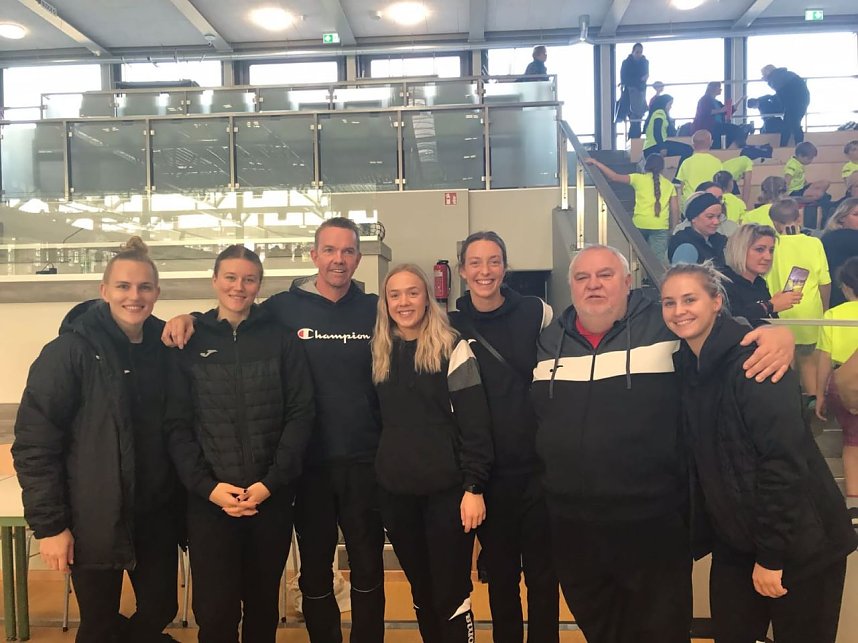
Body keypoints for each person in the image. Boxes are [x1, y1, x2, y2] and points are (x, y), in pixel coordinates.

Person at [531, 245, 795, 643]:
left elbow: (720, 331)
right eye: (582, 278)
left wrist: (778, 333)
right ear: (570, 286)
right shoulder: (549, 341)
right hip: (574, 527)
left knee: (661, 631)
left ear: (626, 282)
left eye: (605, 275)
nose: (593, 285)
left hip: (653, 522)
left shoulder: (664, 324)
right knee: (599, 628)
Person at [163, 217, 386, 643]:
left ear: (358, 257)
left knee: (368, 568)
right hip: (308, 469)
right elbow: (231, 317)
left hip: (364, 463)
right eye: (330, 250)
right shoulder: (282, 309)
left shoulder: (376, 309)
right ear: (313, 255)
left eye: (348, 251)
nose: (338, 259)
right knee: (315, 573)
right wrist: (185, 317)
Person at [661, 262, 856, 643]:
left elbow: (783, 464)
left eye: (689, 299)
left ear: (717, 301)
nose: (679, 310)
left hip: (801, 544)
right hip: (737, 543)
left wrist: (771, 557)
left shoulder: (758, 362)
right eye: (669, 302)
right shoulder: (687, 364)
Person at [13, 237, 181, 643]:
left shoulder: (167, 348)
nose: (134, 296)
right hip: (93, 517)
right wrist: (51, 527)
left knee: (162, 608)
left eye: (144, 287)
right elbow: (35, 443)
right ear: (104, 291)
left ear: (156, 293)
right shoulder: (69, 351)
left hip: (155, 514)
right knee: (99, 620)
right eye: (123, 286)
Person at [165, 245, 315, 642]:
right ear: (214, 281)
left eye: (249, 279)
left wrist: (270, 484)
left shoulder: (281, 340)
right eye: (230, 277)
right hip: (210, 502)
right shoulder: (190, 342)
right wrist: (208, 488)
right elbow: (177, 425)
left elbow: (301, 414)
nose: (239, 286)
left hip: (270, 498)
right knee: (215, 613)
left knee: (263, 607)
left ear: (259, 285)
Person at [371, 263, 493, 642]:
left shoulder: (453, 348)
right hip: (397, 494)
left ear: (427, 297)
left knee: (450, 593)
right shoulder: (378, 351)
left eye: (413, 292)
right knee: (422, 593)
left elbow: (476, 423)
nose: (404, 302)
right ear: (385, 303)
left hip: (448, 494)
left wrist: (474, 487)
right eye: (395, 294)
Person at [448, 232, 558, 643]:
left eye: (493, 261)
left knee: (545, 576)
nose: (485, 271)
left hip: (540, 470)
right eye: (475, 263)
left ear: (505, 266)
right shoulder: (451, 326)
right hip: (490, 474)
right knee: (502, 578)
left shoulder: (537, 312)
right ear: (462, 270)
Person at [764, 198, 831, 398]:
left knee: (784, 362)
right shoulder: (814, 243)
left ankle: (787, 403)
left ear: (774, 222)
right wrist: (825, 309)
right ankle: (813, 405)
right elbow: (824, 282)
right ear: (798, 216)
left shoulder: (770, 246)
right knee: (809, 361)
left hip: (778, 311)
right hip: (809, 312)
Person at [815, 257, 858, 527]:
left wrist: (820, 394)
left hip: (844, 384)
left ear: (845, 287)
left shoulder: (833, 315)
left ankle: (853, 502)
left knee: (851, 443)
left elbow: (823, 358)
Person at [586, 154, 679, 264]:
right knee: (658, 262)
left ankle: (639, 279)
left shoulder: (638, 178)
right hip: (660, 226)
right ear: (662, 168)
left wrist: (596, 163)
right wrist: (673, 228)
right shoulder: (669, 185)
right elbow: (675, 209)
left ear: (646, 166)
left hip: (639, 224)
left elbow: (614, 177)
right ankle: (655, 281)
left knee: (636, 258)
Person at [722, 223, 801, 326]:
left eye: (771, 250)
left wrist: (774, 304)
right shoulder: (724, 283)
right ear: (740, 250)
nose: (768, 257)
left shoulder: (759, 283)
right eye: (760, 249)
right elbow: (732, 319)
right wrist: (770, 305)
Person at [668, 192, 727, 266]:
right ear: (693, 218)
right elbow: (680, 276)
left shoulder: (718, 240)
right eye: (710, 217)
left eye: (718, 217)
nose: (716, 222)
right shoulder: (686, 247)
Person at [785, 142, 832, 228]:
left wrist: (809, 185)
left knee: (825, 182)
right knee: (819, 195)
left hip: (802, 188)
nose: (811, 161)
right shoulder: (792, 165)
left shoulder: (799, 163)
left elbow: (800, 178)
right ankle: (798, 199)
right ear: (800, 155)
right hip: (794, 192)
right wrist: (785, 193)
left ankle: (807, 198)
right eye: (809, 159)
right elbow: (787, 179)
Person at [762, 64, 811, 147]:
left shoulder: (776, 78)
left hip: (795, 103)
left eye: (763, 74)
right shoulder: (784, 74)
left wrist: (768, 81)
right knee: (790, 124)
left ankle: (795, 146)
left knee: (792, 125)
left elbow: (777, 88)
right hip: (800, 100)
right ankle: (789, 145)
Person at [822, 197, 858, 307]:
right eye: (856, 214)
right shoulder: (845, 237)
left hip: (832, 298)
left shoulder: (826, 238)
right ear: (842, 217)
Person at [642, 95, 693, 170]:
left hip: (650, 147)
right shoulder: (660, 113)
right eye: (670, 104)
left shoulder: (655, 113)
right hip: (655, 145)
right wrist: (662, 147)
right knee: (688, 150)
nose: (670, 107)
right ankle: (677, 177)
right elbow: (657, 131)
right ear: (664, 103)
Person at [691, 81, 744, 149]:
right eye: (719, 88)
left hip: (718, 126)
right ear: (713, 88)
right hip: (710, 126)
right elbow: (705, 111)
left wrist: (740, 100)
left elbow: (728, 111)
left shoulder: (717, 102)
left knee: (735, 130)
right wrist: (720, 110)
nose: (720, 90)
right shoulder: (704, 99)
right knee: (734, 130)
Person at [676, 130, 723, 203]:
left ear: (693, 145)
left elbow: (681, 186)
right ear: (711, 143)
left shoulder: (686, 162)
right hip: (711, 201)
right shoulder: (717, 162)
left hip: (690, 202)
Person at [619, 43, 649, 138]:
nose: (638, 54)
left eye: (640, 52)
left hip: (638, 94)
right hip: (631, 95)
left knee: (637, 120)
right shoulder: (626, 63)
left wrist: (635, 81)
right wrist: (639, 80)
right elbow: (624, 79)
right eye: (637, 52)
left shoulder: (644, 62)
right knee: (633, 119)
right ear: (632, 52)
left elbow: (644, 77)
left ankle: (634, 140)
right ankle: (633, 140)